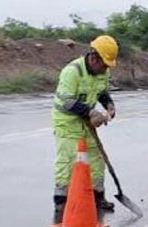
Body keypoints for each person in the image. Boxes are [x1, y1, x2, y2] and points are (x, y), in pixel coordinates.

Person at [51, 35, 119, 217]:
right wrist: (90, 112)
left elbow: (102, 92)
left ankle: (98, 197)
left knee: (97, 160)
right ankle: (61, 202)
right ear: (94, 57)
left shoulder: (103, 72)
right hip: (67, 122)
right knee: (67, 161)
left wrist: (109, 105)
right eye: (104, 64)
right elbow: (66, 101)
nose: (105, 69)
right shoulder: (72, 72)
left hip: (86, 122)